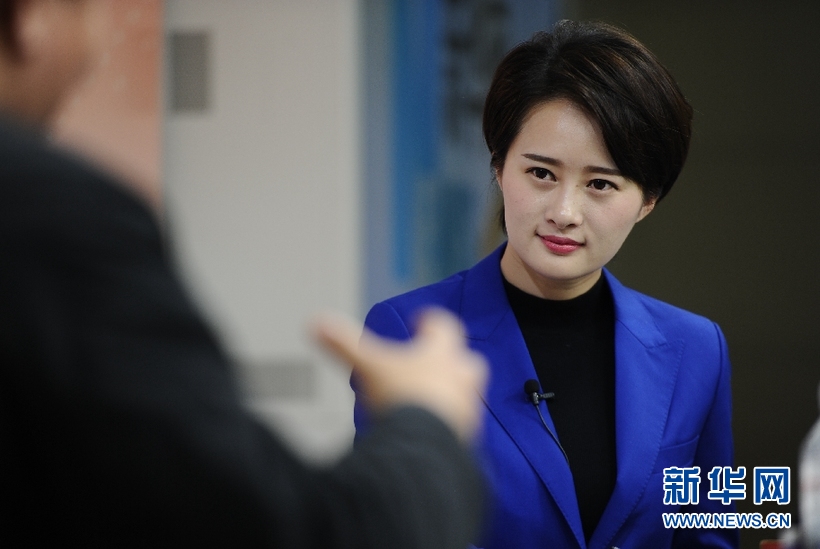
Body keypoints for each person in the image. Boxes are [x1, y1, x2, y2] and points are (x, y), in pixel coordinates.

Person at [0, 0, 488, 546]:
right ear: (31, 18)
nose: (94, 52)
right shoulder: (52, 214)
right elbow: (277, 531)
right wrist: (427, 417)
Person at [354, 19, 737, 549]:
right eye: (541, 174)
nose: (564, 212)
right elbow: (391, 531)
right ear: (498, 166)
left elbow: (710, 535)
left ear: (648, 200)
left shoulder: (697, 349)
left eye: (600, 184)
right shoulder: (408, 331)